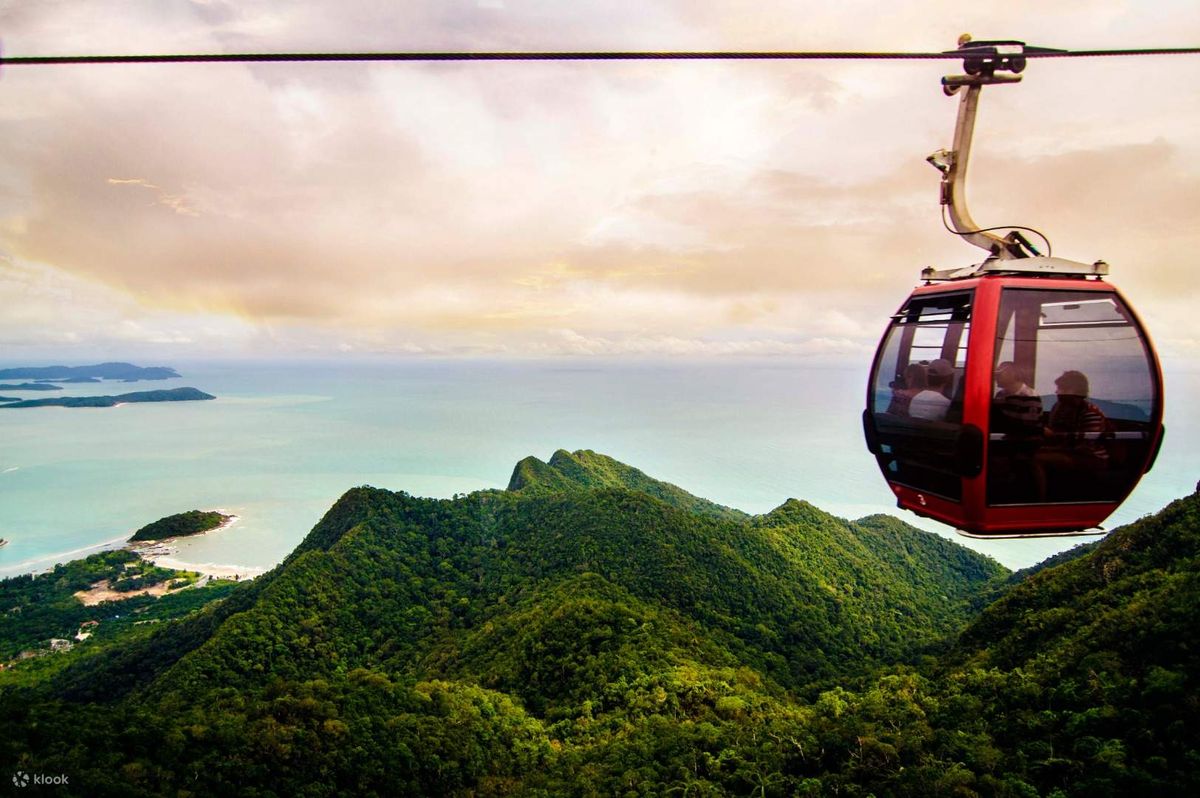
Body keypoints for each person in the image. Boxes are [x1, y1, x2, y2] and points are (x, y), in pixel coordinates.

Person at [992, 361, 1043, 435]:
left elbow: (1028, 428)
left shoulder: (1030, 397)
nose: (995, 378)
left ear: (1011, 374)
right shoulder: (1000, 395)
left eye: (999, 375)